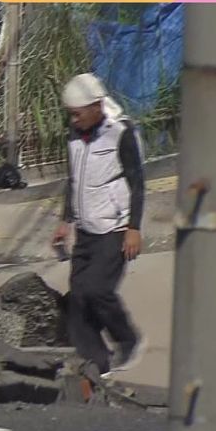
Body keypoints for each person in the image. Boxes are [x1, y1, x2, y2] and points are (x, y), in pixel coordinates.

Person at [51, 73, 146, 378]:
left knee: (97, 289)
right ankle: (97, 362)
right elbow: (73, 180)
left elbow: (137, 182)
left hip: (114, 229)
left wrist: (134, 228)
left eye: (77, 114)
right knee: (78, 296)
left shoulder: (120, 133)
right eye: (71, 115)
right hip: (86, 230)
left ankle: (128, 339)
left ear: (96, 107)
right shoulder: (74, 135)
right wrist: (66, 220)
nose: (74, 120)